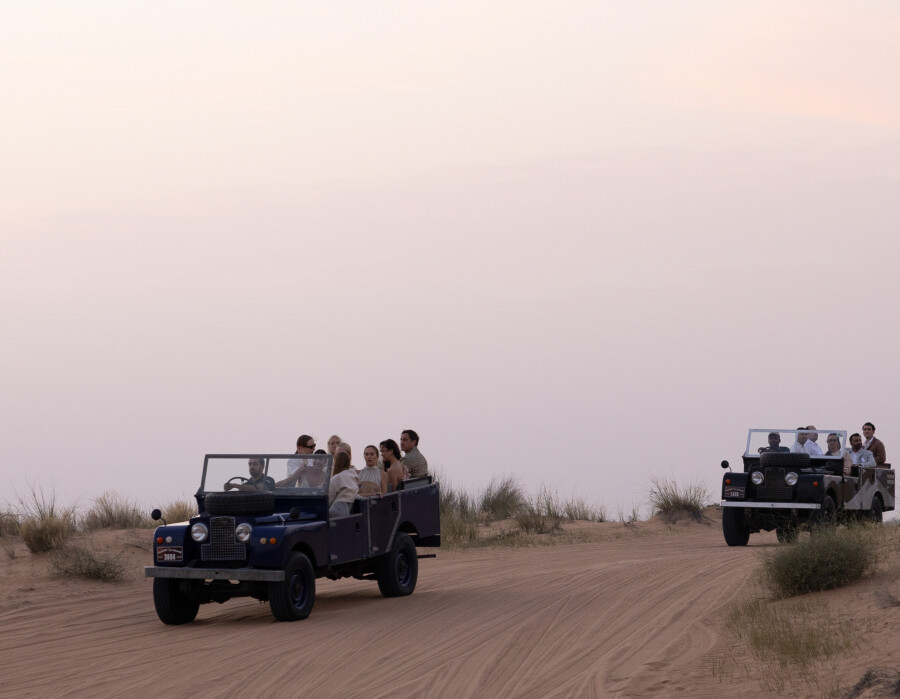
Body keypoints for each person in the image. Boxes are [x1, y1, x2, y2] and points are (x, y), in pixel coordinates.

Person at [328, 451, 358, 518]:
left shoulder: (337, 478)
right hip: (347, 509)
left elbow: (329, 498)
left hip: (336, 511)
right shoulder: (354, 476)